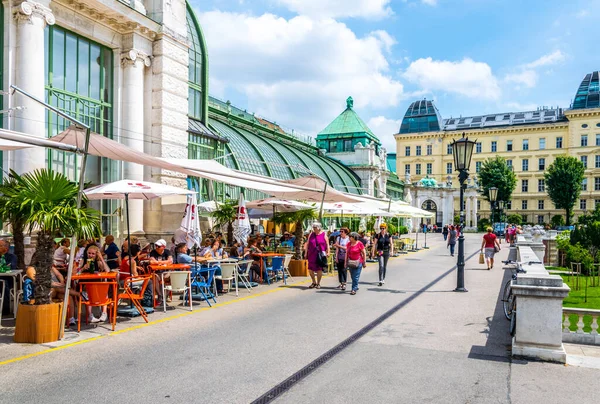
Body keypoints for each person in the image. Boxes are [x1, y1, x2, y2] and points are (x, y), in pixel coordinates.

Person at [78, 245, 109, 323]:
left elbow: (107, 271)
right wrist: (83, 269)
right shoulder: (83, 261)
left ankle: (104, 313)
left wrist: (101, 258)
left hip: (97, 284)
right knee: (88, 292)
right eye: (89, 253)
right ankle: (90, 315)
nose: (90, 255)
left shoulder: (98, 262)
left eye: (93, 254)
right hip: (86, 285)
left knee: (104, 290)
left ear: (96, 255)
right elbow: (76, 273)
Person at [304, 221, 329, 289]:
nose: (313, 229)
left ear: (319, 228)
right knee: (310, 269)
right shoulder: (311, 234)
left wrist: (328, 252)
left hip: (320, 254)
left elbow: (327, 244)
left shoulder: (324, 234)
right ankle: (313, 282)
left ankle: (318, 283)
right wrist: (306, 253)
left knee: (319, 269)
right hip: (312, 254)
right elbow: (307, 244)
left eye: (315, 227)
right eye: (313, 227)